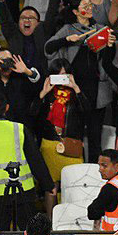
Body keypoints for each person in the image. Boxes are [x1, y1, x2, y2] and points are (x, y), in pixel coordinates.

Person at [0, 92, 54, 231]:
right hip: (23, 193)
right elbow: (35, 159)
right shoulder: (19, 129)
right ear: (7, 107)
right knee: (31, 234)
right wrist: (48, 184)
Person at [46, 0, 114, 163]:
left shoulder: (101, 29)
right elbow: (48, 48)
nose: (89, 8)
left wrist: (110, 46)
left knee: (95, 136)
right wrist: (66, 40)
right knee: (74, 136)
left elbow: (108, 60)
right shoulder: (68, 29)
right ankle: (77, 168)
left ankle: (96, 170)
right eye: (85, 6)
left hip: (97, 90)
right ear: (76, 11)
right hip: (74, 90)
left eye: (90, 5)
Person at [31, 60, 90, 206]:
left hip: (71, 146)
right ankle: (51, 219)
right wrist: (43, 93)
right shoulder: (46, 94)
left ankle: (72, 217)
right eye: (57, 75)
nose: (61, 78)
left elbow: (88, 112)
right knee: (51, 187)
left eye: (64, 75)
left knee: (75, 185)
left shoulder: (76, 94)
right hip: (50, 145)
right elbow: (32, 114)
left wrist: (76, 88)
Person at [0, 0, 61, 75]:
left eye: (31, 18)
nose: (26, 20)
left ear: (38, 23)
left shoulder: (43, 32)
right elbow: (5, 20)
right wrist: (1, 2)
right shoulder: (13, 34)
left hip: (41, 78)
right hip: (17, 78)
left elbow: (52, 14)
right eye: (23, 18)